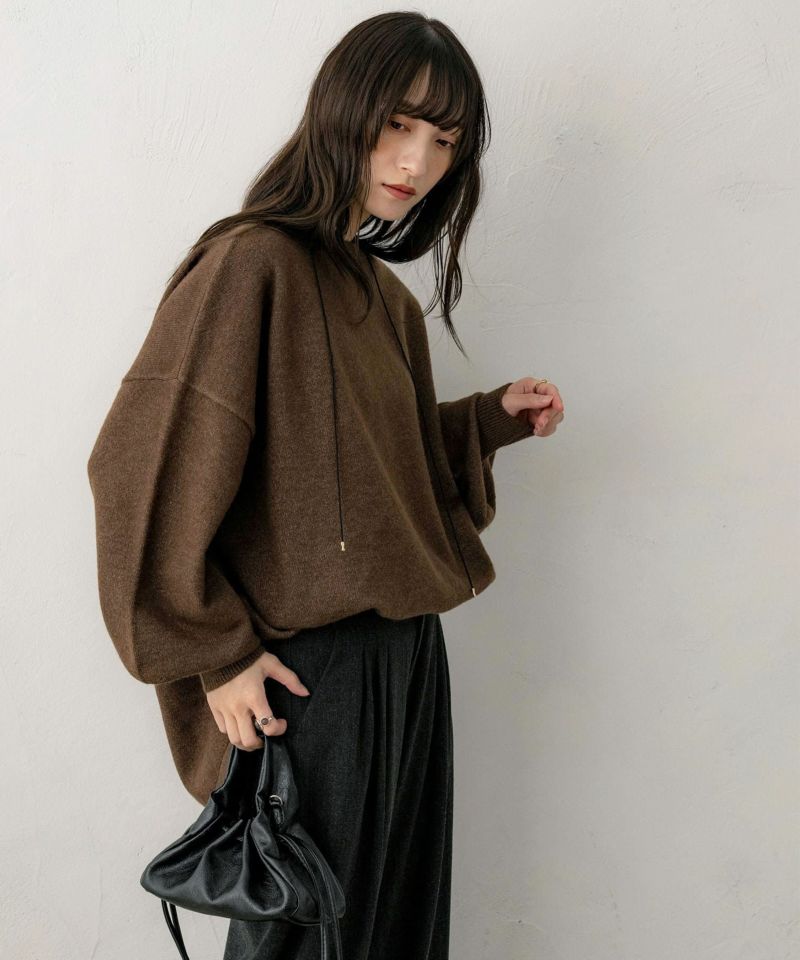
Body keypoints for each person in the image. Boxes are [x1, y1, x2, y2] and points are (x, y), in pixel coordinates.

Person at [86, 11, 564, 960]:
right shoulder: (251, 263)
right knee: (308, 945)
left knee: (392, 934)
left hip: (407, 660)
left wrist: (486, 421)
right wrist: (214, 651)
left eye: (444, 140)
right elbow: (139, 467)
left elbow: (365, 473)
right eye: (398, 123)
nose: (417, 161)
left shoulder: (383, 297)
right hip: (312, 676)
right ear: (341, 110)